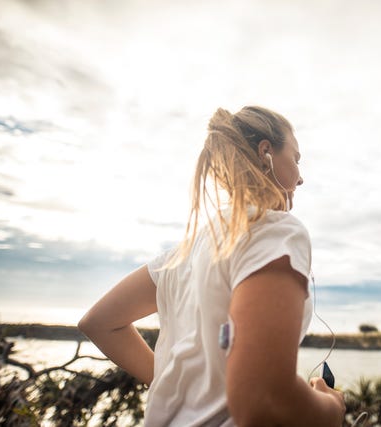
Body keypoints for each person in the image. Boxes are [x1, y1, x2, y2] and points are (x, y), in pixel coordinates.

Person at [78, 106, 346, 426]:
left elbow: (99, 322)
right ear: (266, 152)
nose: (301, 178)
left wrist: (177, 390)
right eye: (297, 158)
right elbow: (263, 404)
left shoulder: (187, 252)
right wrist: (331, 409)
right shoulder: (275, 231)